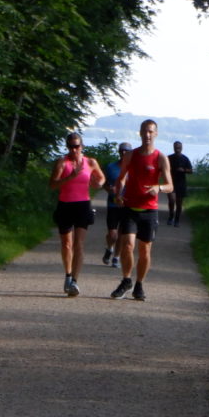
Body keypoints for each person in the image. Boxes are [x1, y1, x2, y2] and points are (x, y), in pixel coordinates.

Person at [110, 119, 173, 301]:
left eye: (151, 132)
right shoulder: (131, 155)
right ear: (140, 133)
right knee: (127, 245)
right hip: (130, 207)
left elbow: (170, 186)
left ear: (156, 134)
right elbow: (121, 178)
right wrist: (118, 193)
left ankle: (139, 285)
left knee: (144, 250)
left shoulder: (161, 158)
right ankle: (126, 280)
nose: (147, 135)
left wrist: (158, 188)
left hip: (149, 211)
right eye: (144, 131)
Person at [49, 132, 105, 297]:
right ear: (67, 147)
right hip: (65, 205)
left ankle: (74, 280)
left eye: (77, 146)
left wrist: (97, 183)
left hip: (82, 205)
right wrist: (70, 177)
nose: (74, 150)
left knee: (79, 244)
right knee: (67, 243)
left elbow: (101, 179)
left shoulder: (90, 162)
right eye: (71, 147)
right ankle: (67, 275)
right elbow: (52, 184)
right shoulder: (62, 162)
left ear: (82, 146)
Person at [102, 142, 133, 268]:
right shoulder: (111, 167)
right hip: (113, 204)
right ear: (119, 151)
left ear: (130, 152)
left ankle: (116, 257)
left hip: (127, 205)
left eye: (126, 151)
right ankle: (109, 248)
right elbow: (103, 182)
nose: (123, 153)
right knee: (112, 234)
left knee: (122, 234)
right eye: (122, 150)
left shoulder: (134, 168)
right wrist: (108, 189)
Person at [167, 140, 193, 226]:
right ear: (173, 148)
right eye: (176, 147)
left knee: (179, 203)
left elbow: (191, 170)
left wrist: (184, 170)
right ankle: (171, 216)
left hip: (181, 183)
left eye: (179, 147)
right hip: (171, 182)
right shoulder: (169, 158)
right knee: (171, 200)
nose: (177, 148)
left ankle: (177, 220)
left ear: (181, 148)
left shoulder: (185, 159)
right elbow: (163, 168)